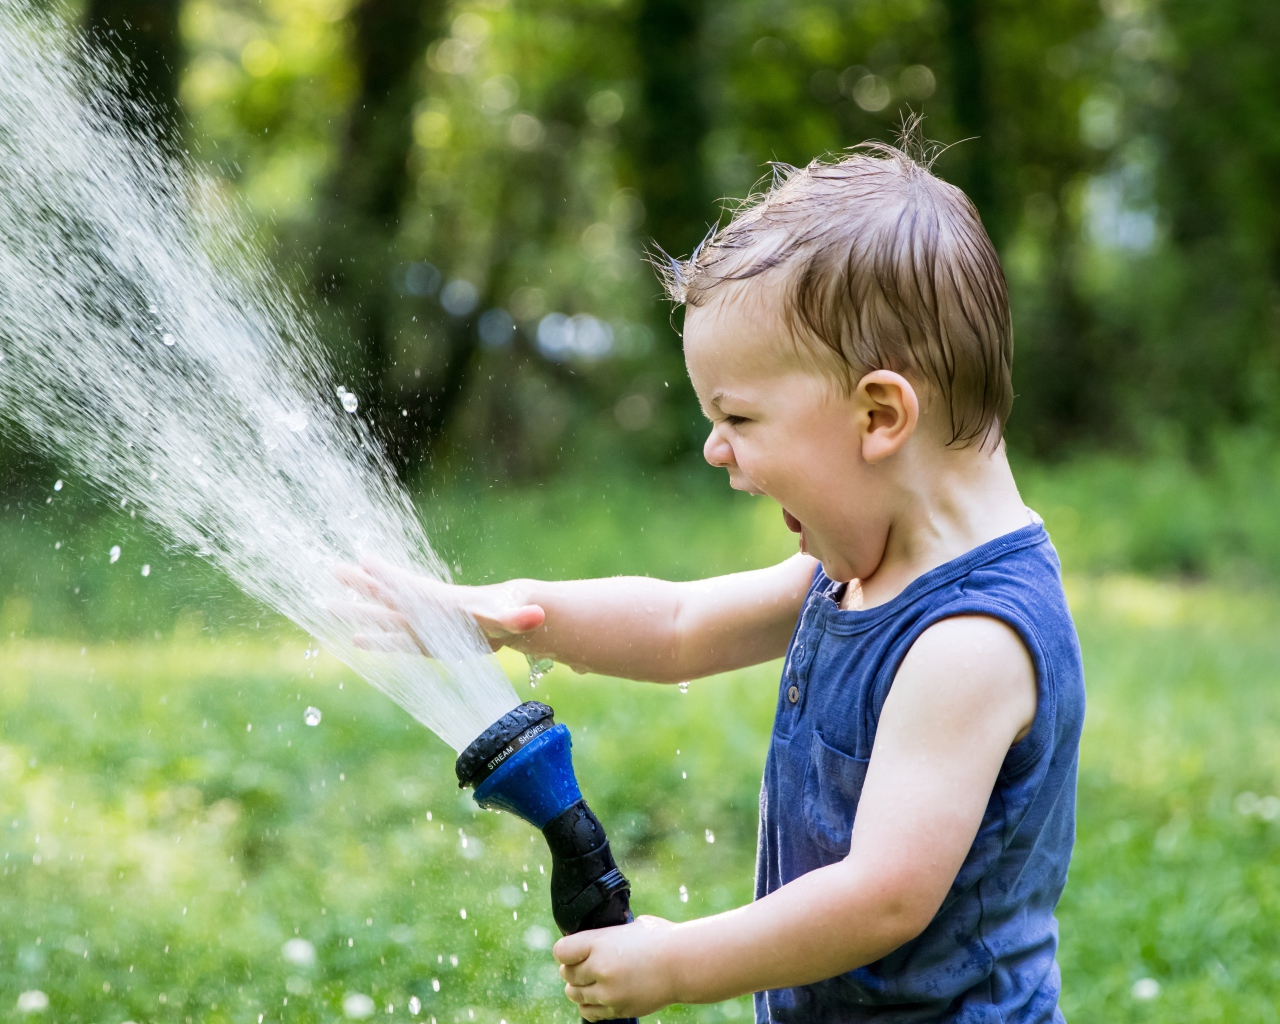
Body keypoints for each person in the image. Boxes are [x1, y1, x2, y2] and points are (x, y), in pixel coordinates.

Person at [340, 131, 1085, 1023]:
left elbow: (885, 894)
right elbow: (680, 624)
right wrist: (506, 615)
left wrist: (677, 964)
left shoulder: (970, 641)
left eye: (738, 415)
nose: (714, 447)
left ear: (880, 413)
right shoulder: (853, 571)